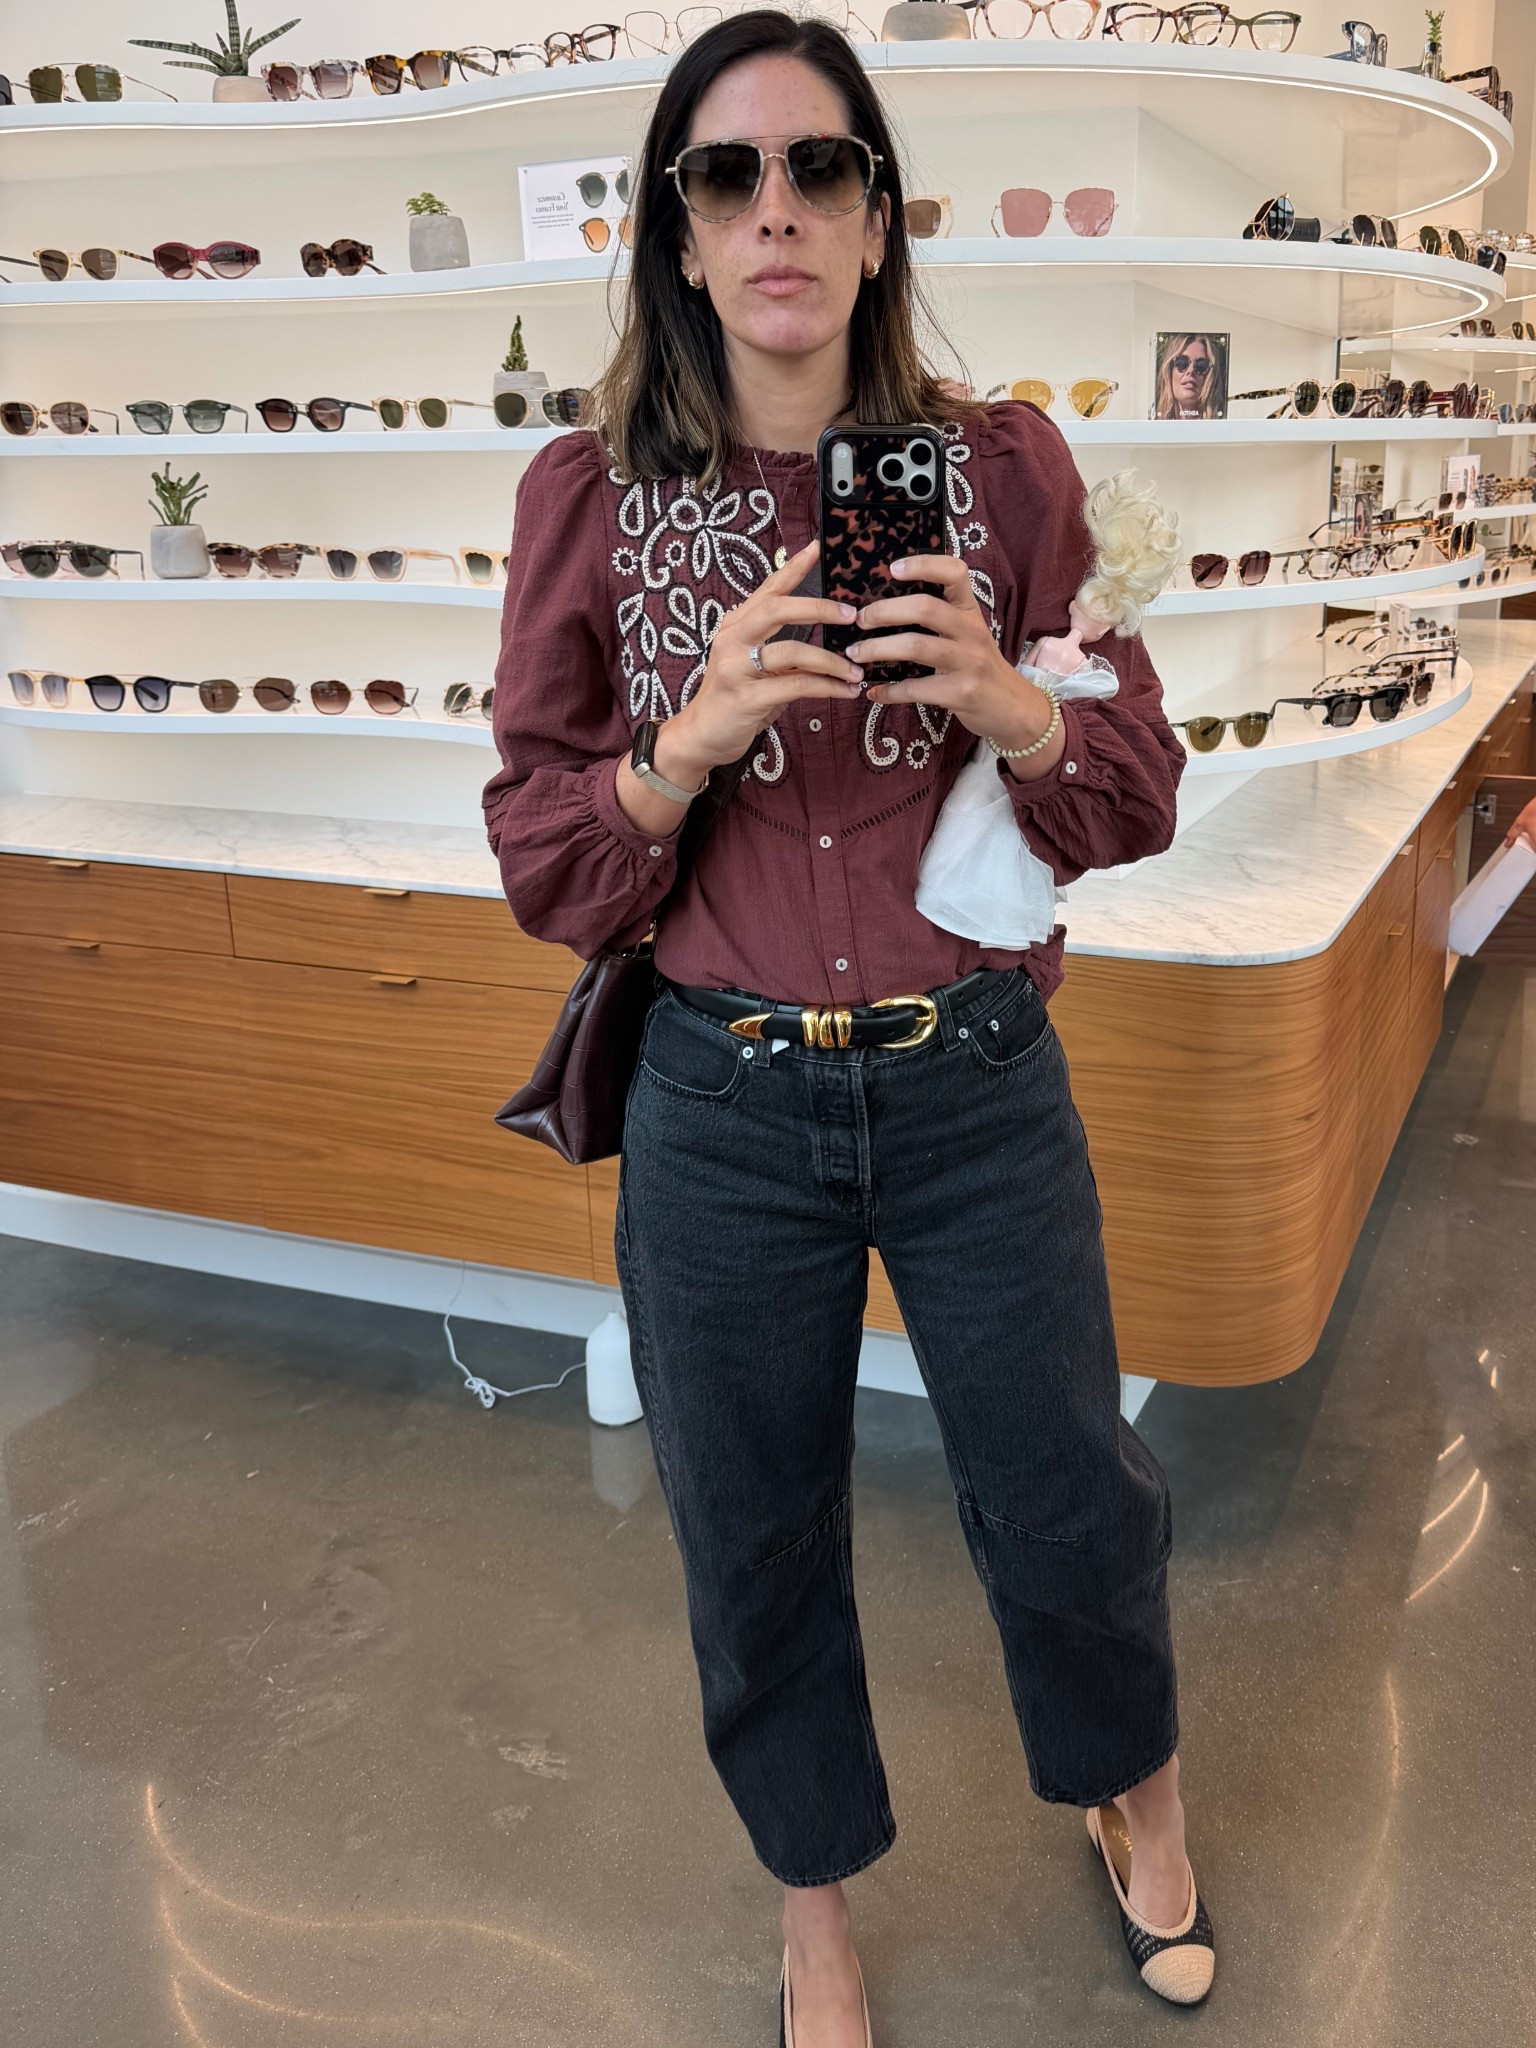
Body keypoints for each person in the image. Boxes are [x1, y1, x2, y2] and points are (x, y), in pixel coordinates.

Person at [482, 10, 1214, 2039]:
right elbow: (544, 853)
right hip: (720, 1103)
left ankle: (1140, 1792)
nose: (777, 210)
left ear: (880, 220)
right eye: (727, 176)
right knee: (754, 1527)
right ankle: (812, 1906)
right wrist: (685, 741)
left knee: (1069, 1492)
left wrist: (1012, 699)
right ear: (680, 233)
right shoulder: (593, 498)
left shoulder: (1004, 471)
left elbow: (1132, 794)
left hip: (973, 1082)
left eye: (820, 168)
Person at [1153, 332, 1224, 420]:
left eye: (1201, 365)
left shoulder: (1222, 427)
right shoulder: (1151, 426)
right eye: (1182, 362)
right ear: (1169, 371)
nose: (1191, 370)